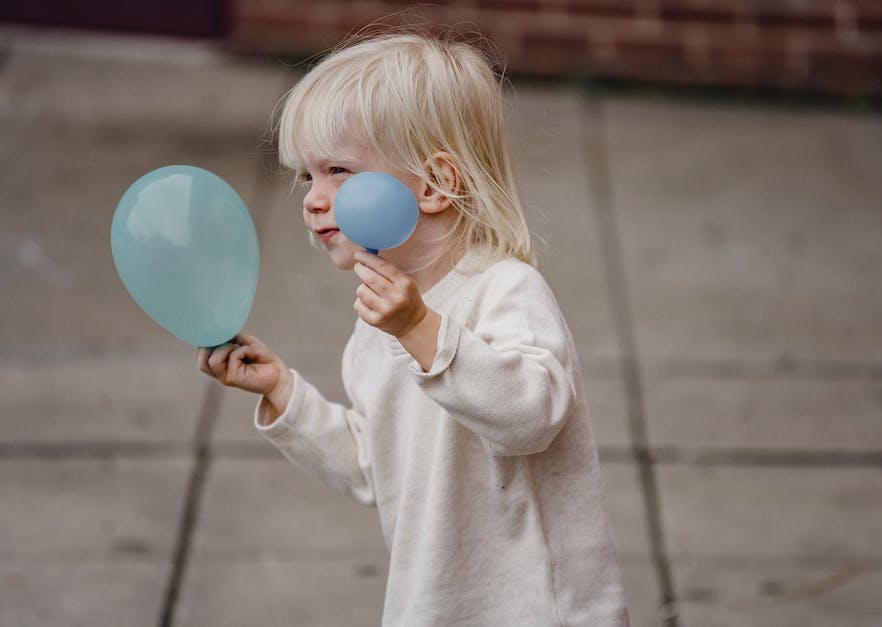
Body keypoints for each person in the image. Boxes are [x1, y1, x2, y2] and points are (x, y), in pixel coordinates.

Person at [197, 30, 629, 626]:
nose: (313, 199)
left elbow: (531, 417)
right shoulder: (380, 324)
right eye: (306, 177)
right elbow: (374, 468)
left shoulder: (502, 290)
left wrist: (421, 331)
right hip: (433, 605)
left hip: (535, 609)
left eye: (338, 170)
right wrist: (282, 392)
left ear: (433, 185)